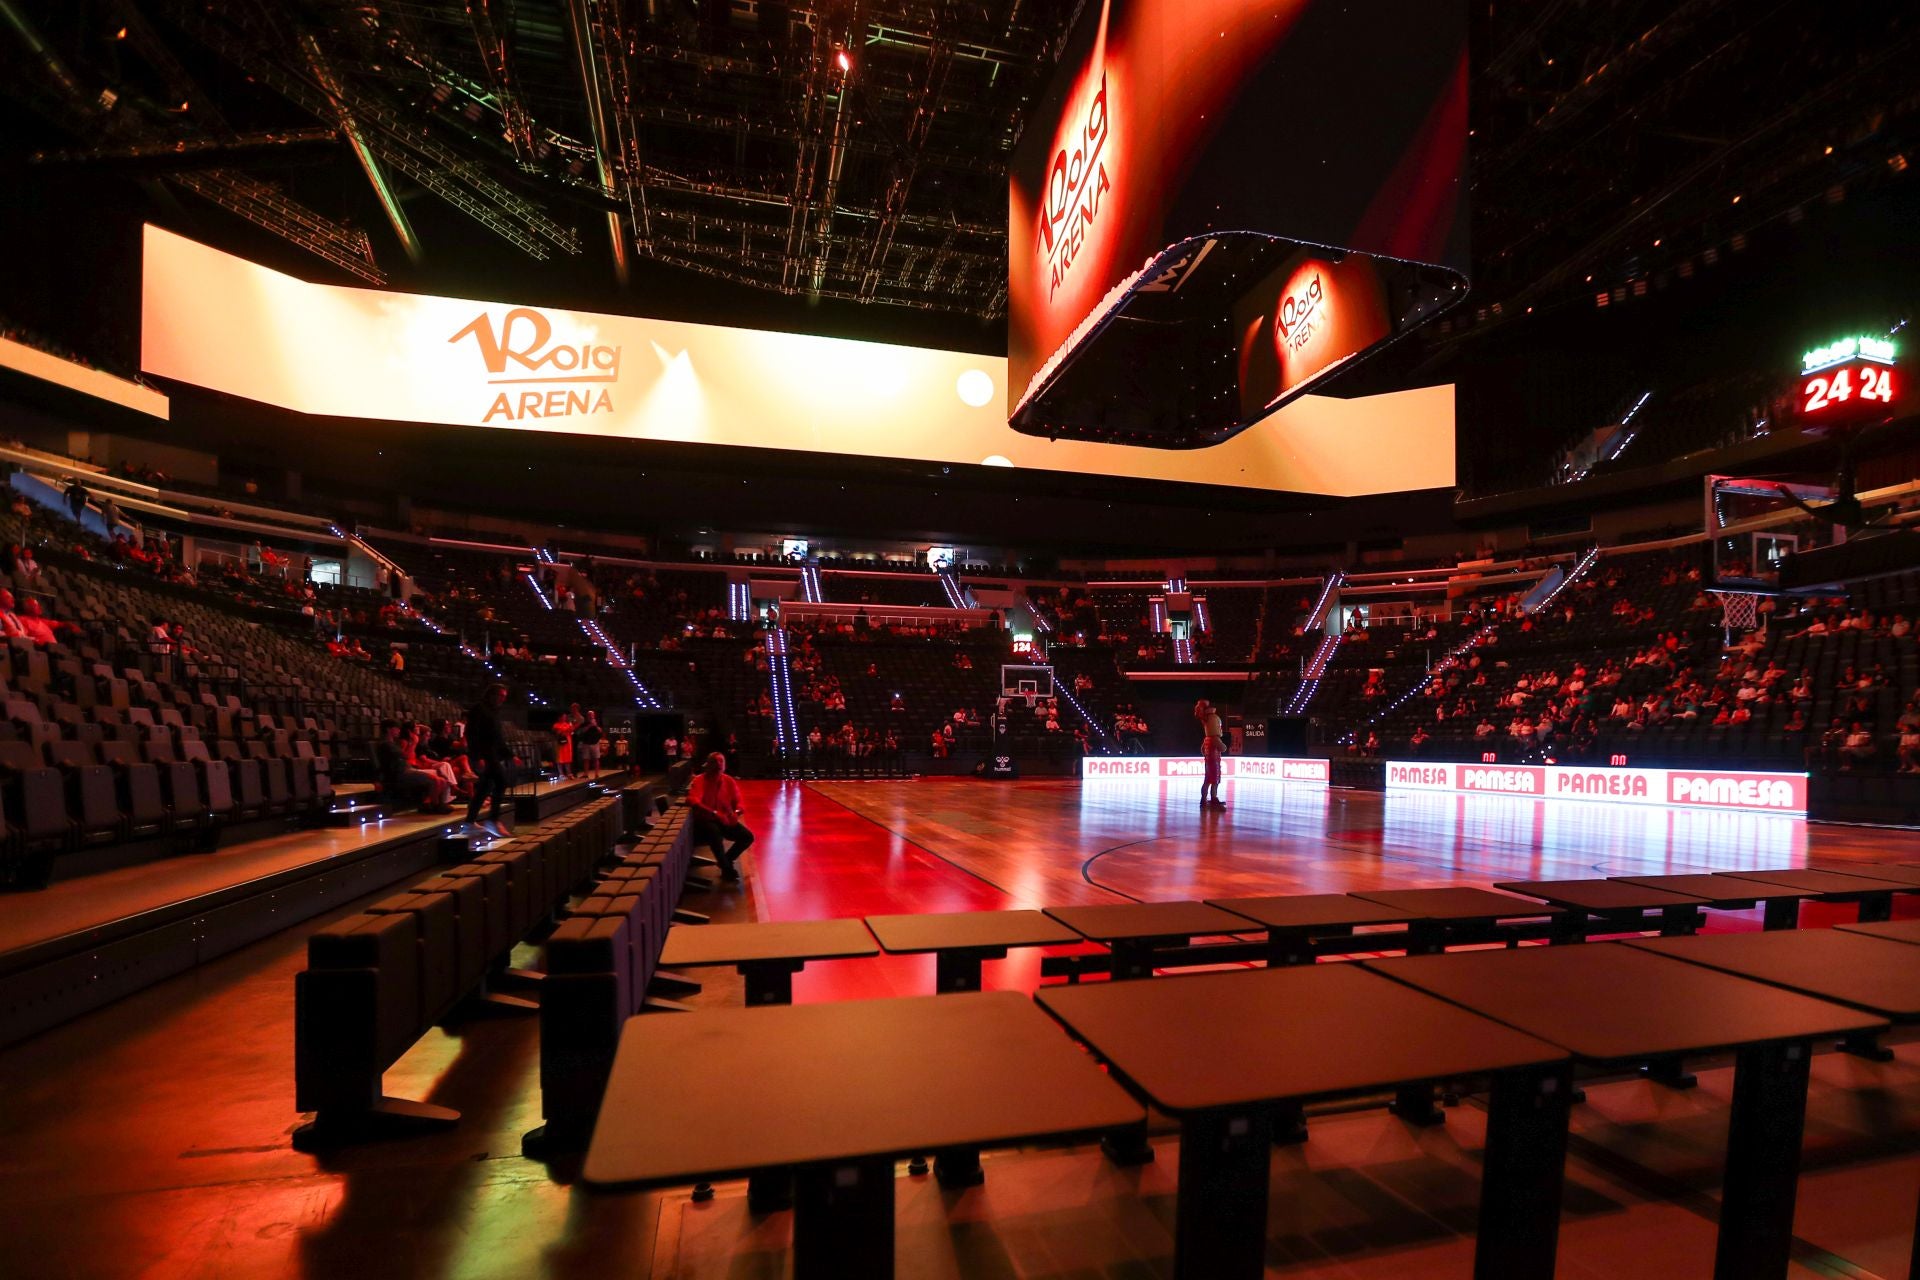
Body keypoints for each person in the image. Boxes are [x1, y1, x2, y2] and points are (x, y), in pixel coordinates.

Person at [688, 752, 755, 879]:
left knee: (747, 837)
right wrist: (714, 813)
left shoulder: (729, 781)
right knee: (714, 833)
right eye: (715, 761)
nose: (718, 764)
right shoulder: (700, 780)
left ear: (725, 765)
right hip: (705, 820)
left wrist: (736, 812)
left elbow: (739, 802)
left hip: (724, 819)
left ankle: (726, 860)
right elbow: (693, 801)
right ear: (708, 765)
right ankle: (726, 868)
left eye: (721, 761)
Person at [465, 684, 512, 835]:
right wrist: (477, 756)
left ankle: (469, 822)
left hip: (492, 754)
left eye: (504, 697)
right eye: (501, 696)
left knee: (485, 788)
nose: (502, 699)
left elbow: (498, 737)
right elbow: (471, 734)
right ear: (492, 695)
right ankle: (493, 820)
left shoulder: (494, 712)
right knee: (501, 781)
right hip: (485, 755)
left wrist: (510, 755)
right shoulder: (479, 709)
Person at [1194, 698, 1226, 808]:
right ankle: (1213, 798)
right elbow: (1222, 747)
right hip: (1214, 758)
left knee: (1207, 778)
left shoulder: (1207, 738)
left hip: (1209, 758)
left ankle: (1204, 799)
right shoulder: (1214, 737)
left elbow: (1203, 749)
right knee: (1215, 778)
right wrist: (1223, 746)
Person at [576, 710, 604, 777]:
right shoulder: (584, 723)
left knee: (596, 759)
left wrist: (596, 726)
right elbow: (582, 731)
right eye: (589, 715)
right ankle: (586, 774)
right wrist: (590, 725)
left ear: (594, 715)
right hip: (586, 743)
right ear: (587, 716)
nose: (591, 716)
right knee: (586, 759)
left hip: (595, 743)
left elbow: (601, 731)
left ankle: (596, 774)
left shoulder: (598, 722)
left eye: (592, 715)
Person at [551, 704, 577, 779]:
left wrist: (571, 729)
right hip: (560, 744)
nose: (564, 718)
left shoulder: (568, 724)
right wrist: (564, 731)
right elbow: (557, 733)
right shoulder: (556, 725)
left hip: (567, 743)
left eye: (565, 717)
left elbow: (571, 732)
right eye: (563, 717)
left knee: (568, 759)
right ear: (559, 717)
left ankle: (569, 773)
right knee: (560, 759)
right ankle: (561, 774)